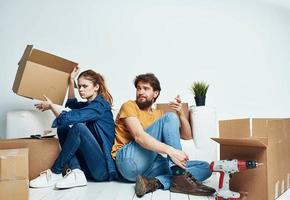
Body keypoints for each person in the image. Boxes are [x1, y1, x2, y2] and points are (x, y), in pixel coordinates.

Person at [111, 73, 215, 197]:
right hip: (128, 161)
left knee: (206, 167)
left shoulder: (159, 114)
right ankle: (178, 174)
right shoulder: (129, 106)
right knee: (169, 117)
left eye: (145, 88)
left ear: (155, 93)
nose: (140, 92)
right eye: (138, 88)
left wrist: (180, 113)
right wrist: (171, 151)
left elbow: (187, 136)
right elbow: (139, 137)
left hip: (149, 166)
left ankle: (155, 182)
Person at [29, 67, 118, 189]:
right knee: (63, 128)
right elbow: (72, 104)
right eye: (79, 86)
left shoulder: (100, 106)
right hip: (88, 167)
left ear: (96, 87)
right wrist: (71, 81)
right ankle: (76, 173)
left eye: (85, 86)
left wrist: (51, 105)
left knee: (78, 127)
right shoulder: (89, 105)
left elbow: (70, 116)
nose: (81, 89)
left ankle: (55, 172)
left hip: (102, 170)